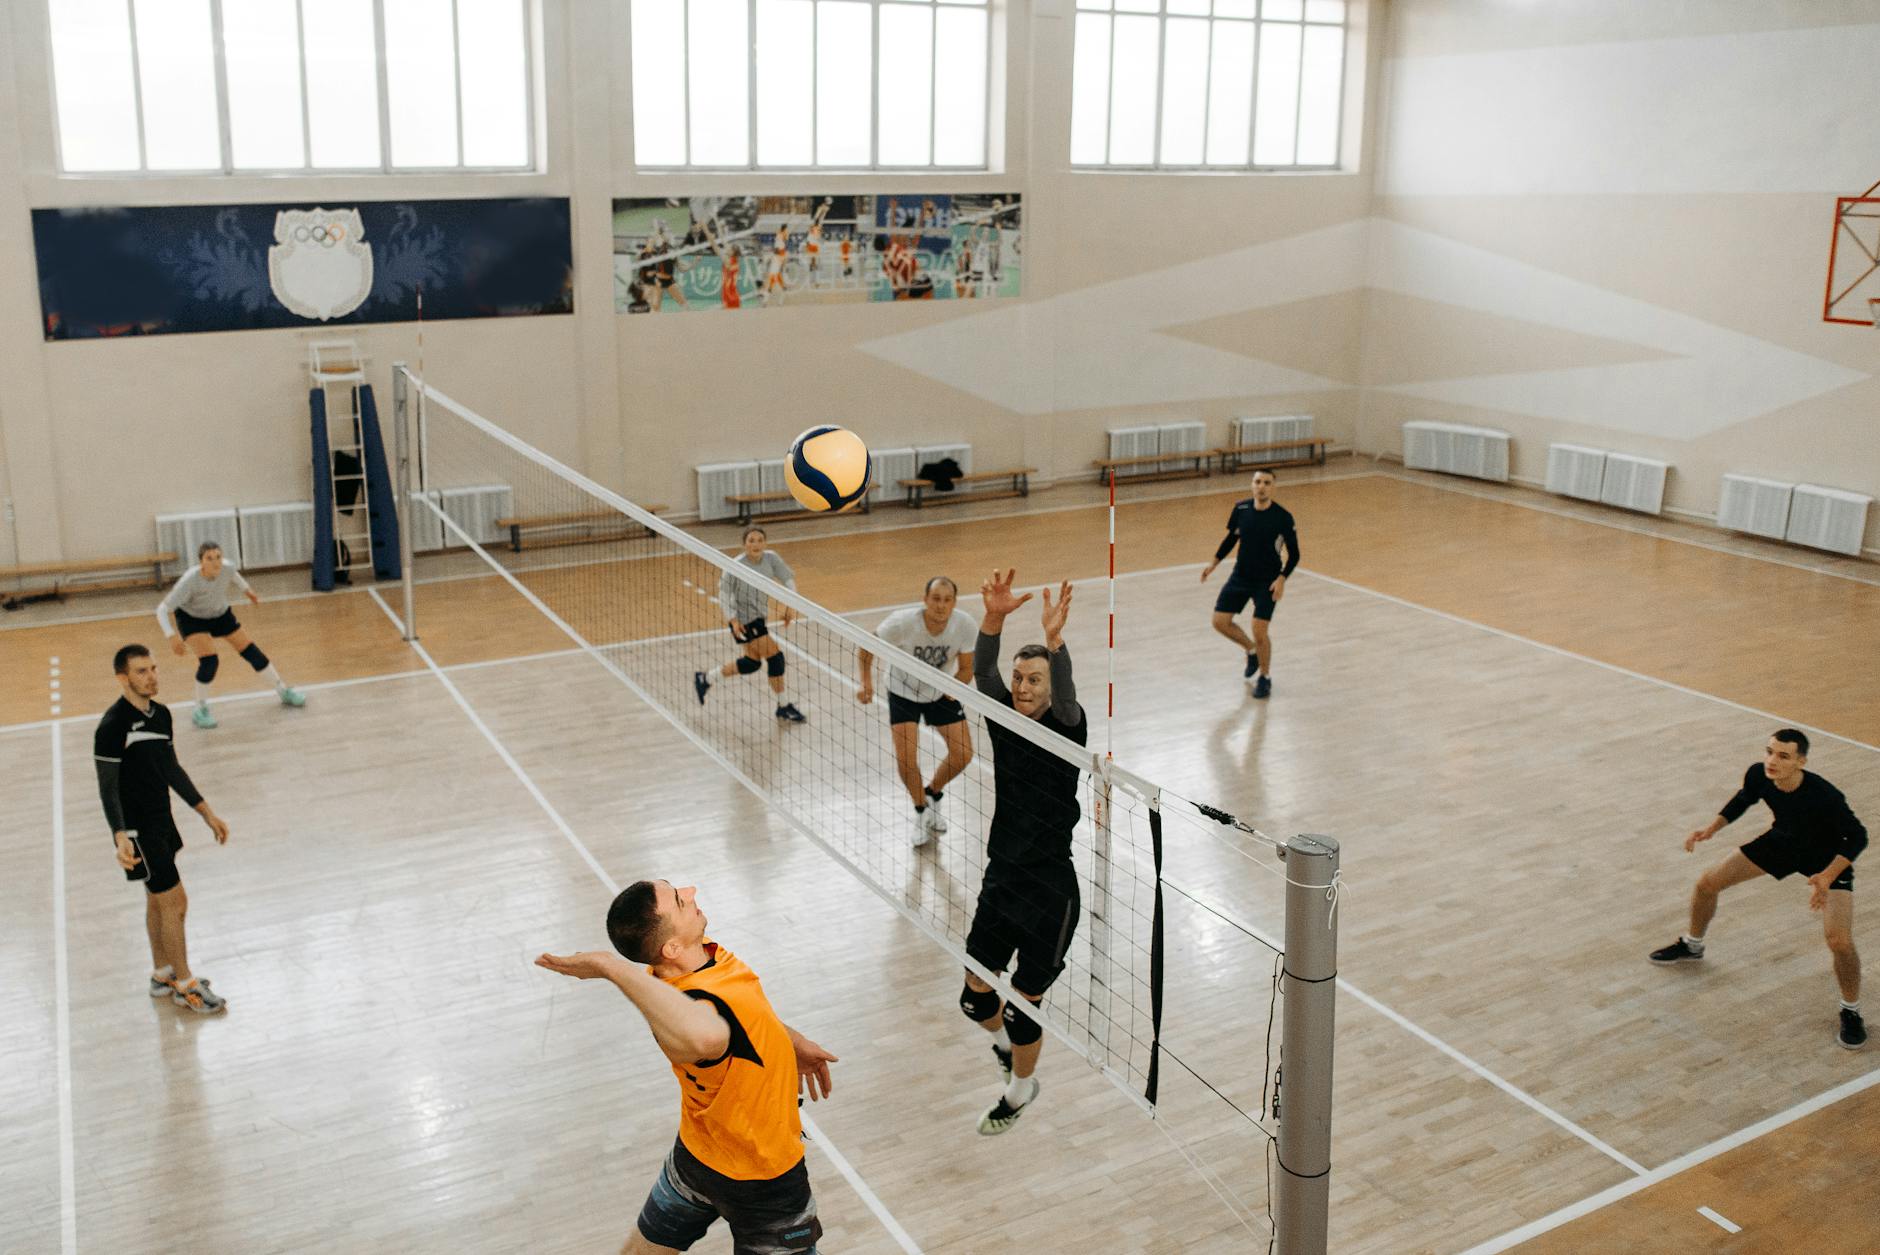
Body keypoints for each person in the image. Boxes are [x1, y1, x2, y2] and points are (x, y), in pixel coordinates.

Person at [538, 880, 838, 1254]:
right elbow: (709, 1036)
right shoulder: (691, 1010)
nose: (692, 891)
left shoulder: (689, 967)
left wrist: (790, 1041)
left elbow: (745, 1014)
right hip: (765, 1181)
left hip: (696, 1157)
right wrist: (608, 967)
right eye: (680, 901)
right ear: (672, 947)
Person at [959, 568, 1085, 1135]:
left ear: (1052, 687)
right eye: (1019, 678)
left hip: (1050, 891)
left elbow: (1068, 692)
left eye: (1034, 678)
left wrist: (1055, 643)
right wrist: (993, 618)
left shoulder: (1065, 727)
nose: (1023, 685)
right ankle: (1012, 1051)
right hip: (1001, 878)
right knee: (974, 996)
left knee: (1021, 1004)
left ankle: (1021, 1086)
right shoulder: (1006, 721)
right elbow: (982, 670)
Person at [1650, 729, 1868, 1049]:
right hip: (1782, 843)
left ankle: (1851, 1011)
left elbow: (1858, 836)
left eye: (1783, 756)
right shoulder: (1760, 774)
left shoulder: (1825, 795)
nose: (1772, 761)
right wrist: (1711, 828)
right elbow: (1743, 799)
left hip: (1826, 860)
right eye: (1769, 752)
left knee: (1840, 941)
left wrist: (1826, 875)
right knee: (1706, 884)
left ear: (1801, 761)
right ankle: (1692, 945)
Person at [94, 644, 232, 1015]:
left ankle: (163, 973)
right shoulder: (112, 726)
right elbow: (107, 787)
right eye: (141, 671)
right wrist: (119, 835)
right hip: (139, 832)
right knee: (176, 902)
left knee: (158, 900)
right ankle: (186, 983)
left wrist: (206, 812)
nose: (151, 676)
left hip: (161, 821)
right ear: (122, 678)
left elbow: (171, 768)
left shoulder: (162, 716)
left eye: (153, 668)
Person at [857, 577, 977, 847]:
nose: (941, 605)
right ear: (925, 600)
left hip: (939, 690)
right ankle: (921, 810)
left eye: (947, 600)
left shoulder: (965, 624)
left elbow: (967, 667)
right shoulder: (902, 623)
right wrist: (866, 682)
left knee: (963, 754)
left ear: (954, 603)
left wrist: (955, 686)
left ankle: (933, 793)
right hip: (903, 691)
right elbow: (866, 646)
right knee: (906, 760)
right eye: (936, 598)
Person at [157, 541, 304, 729]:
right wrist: (171, 636)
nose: (215, 562)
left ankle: (283, 691)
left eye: (218, 557)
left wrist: (248, 591)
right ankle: (200, 708)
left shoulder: (226, 568)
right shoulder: (189, 581)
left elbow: (234, 576)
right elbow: (162, 609)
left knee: (250, 650)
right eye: (209, 558)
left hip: (220, 613)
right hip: (192, 618)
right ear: (201, 562)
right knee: (210, 661)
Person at [1200, 469, 1298, 699]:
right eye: (1257, 482)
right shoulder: (1241, 509)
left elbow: (1295, 555)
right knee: (1220, 621)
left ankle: (1264, 677)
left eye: (1266, 482)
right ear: (1252, 485)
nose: (1261, 486)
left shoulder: (1283, 517)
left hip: (1267, 581)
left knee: (1259, 630)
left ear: (1273, 487)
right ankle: (1251, 650)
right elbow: (1231, 539)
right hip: (1241, 576)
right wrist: (1213, 563)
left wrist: (1282, 578)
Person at [695, 527, 806, 723]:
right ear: (744, 544)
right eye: (751, 540)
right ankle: (783, 706)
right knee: (776, 658)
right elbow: (723, 594)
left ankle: (706, 679)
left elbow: (789, 580)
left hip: (759, 618)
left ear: (765, 543)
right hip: (743, 621)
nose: (755, 544)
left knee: (752, 663)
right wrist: (733, 620)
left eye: (759, 540)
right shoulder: (735, 565)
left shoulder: (771, 559)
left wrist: (791, 605)